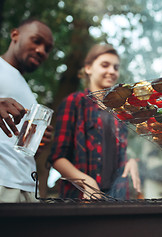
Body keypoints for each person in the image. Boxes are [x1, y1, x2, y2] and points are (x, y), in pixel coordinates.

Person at [48, 44, 141, 200]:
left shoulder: (121, 110)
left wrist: (131, 160)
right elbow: (57, 158)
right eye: (105, 65)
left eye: (116, 67)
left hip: (118, 199)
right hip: (79, 199)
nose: (112, 71)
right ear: (88, 68)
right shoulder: (74, 102)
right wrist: (86, 181)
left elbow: (124, 151)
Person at [0, 18, 54, 203]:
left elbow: (13, 144)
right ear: (15, 34)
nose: (41, 51)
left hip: (27, 191)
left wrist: (37, 143)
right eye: (36, 41)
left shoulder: (28, 92)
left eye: (47, 49)